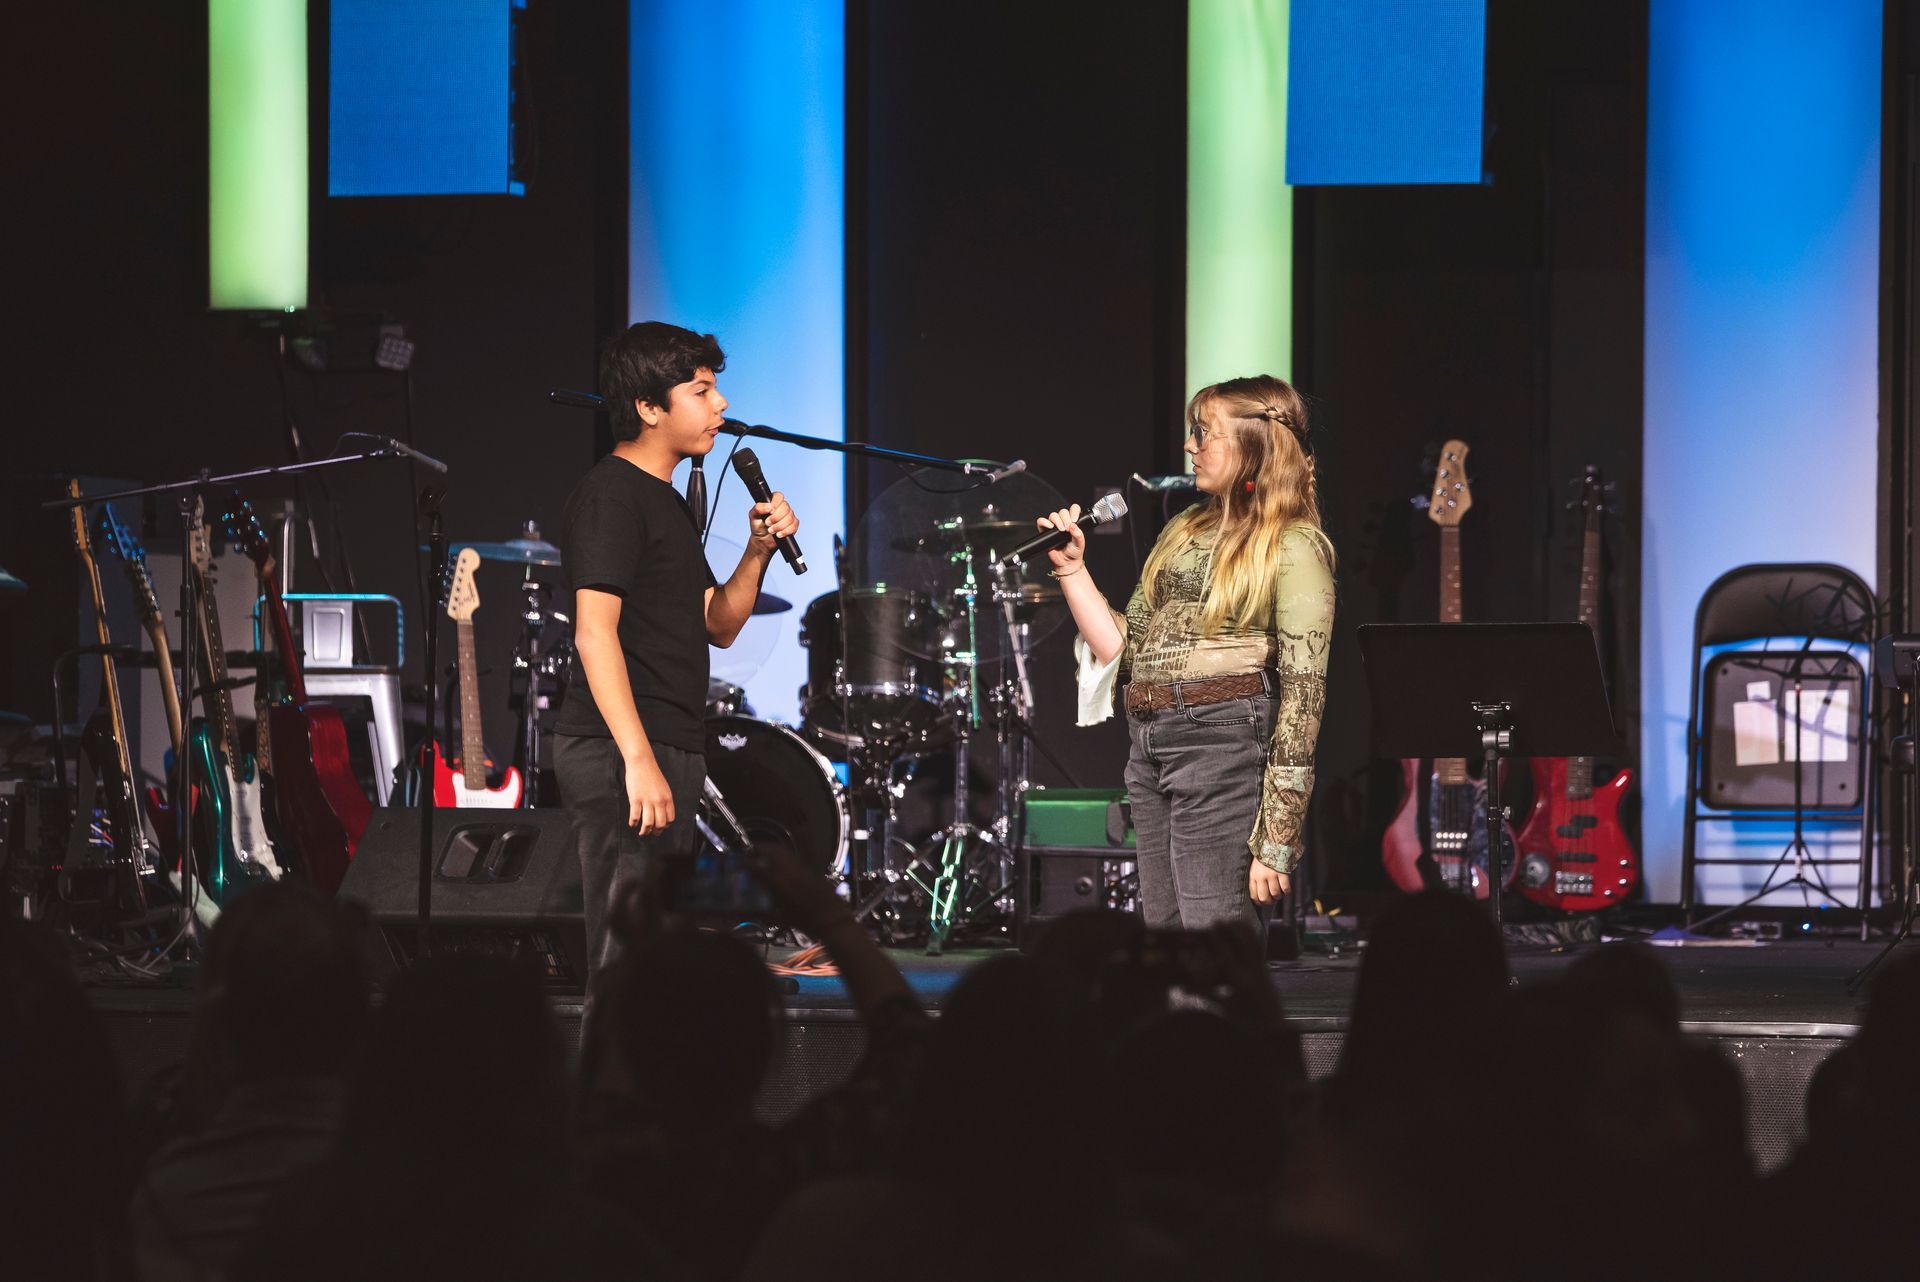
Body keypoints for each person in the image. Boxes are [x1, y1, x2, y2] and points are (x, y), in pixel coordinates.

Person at [553, 321, 800, 989]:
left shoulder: (663, 502)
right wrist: (636, 758)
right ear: (649, 407)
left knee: (653, 963)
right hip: (621, 751)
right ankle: (601, 1092)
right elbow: (593, 632)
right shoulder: (611, 496)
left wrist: (756, 552)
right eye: (701, 390)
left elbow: (716, 624)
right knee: (623, 964)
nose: (720, 406)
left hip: (665, 742)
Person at [1041, 374, 1334, 930]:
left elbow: (1305, 694)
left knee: (1210, 942)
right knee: (1168, 943)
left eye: (1204, 433)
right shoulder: (1182, 530)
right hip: (1152, 740)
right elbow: (1123, 652)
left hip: (1221, 742)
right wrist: (1073, 571)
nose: (1189, 446)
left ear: (1253, 445)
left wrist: (1278, 833)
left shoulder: (1293, 543)